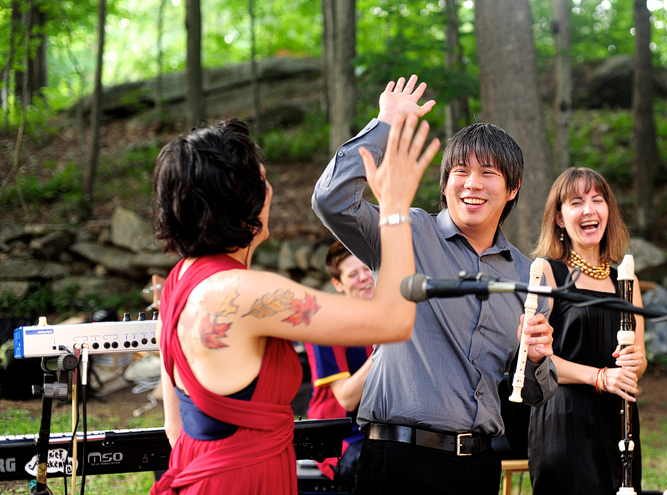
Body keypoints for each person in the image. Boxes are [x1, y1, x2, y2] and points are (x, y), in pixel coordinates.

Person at [150, 115, 440, 495]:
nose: (270, 191)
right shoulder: (245, 294)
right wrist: (395, 208)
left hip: (200, 470)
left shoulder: (178, 280)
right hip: (241, 483)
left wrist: (384, 121)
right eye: (263, 181)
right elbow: (394, 319)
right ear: (243, 201)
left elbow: (176, 426)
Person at [311, 75, 558, 495]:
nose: (472, 184)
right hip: (397, 459)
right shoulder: (402, 230)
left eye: (489, 173)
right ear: (445, 183)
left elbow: (533, 394)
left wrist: (535, 359)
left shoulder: (527, 275)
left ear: (513, 187)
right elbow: (332, 199)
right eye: (460, 171)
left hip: (479, 466)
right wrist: (385, 124)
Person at [527, 167, 648, 495]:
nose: (589, 209)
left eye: (597, 199)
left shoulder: (626, 280)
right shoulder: (546, 272)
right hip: (565, 422)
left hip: (618, 419)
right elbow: (535, 359)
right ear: (559, 218)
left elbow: (641, 362)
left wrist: (634, 363)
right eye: (577, 202)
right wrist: (600, 377)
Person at [304, 241, 376, 483]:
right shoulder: (326, 326)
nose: (365, 278)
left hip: (382, 429)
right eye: (353, 274)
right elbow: (346, 397)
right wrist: (386, 348)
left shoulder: (386, 318)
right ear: (338, 284)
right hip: (342, 438)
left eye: (367, 269)